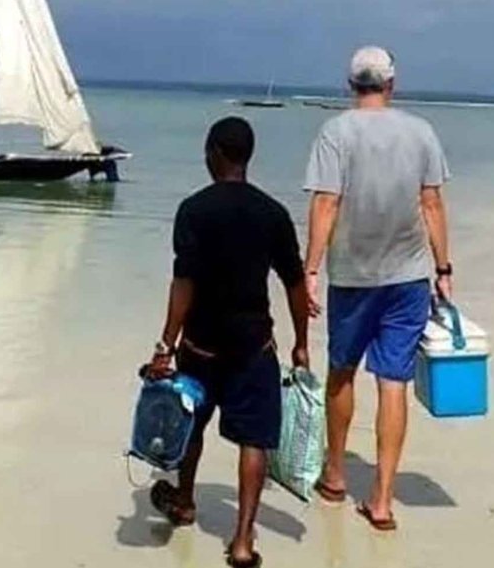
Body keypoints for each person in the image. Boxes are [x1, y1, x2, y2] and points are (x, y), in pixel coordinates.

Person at [146, 116, 309, 568]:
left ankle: (184, 501)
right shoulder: (273, 213)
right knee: (253, 441)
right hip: (253, 348)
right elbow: (295, 283)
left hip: (200, 347)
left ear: (216, 152)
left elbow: (184, 282)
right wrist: (301, 343)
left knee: (190, 428)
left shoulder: (194, 210)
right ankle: (241, 542)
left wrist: (165, 346)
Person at [302, 46, 452, 532]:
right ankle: (383, 499)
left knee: (341, 373)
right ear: (391, 84)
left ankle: (336, 474)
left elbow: (326, 204)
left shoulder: (335, 132)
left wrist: (309, 270)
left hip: (352, 276)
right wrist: (444, 268)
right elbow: (432, 204)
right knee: (393, 382)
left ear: (350, 85)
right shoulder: (421, 131)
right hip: (408, 276)